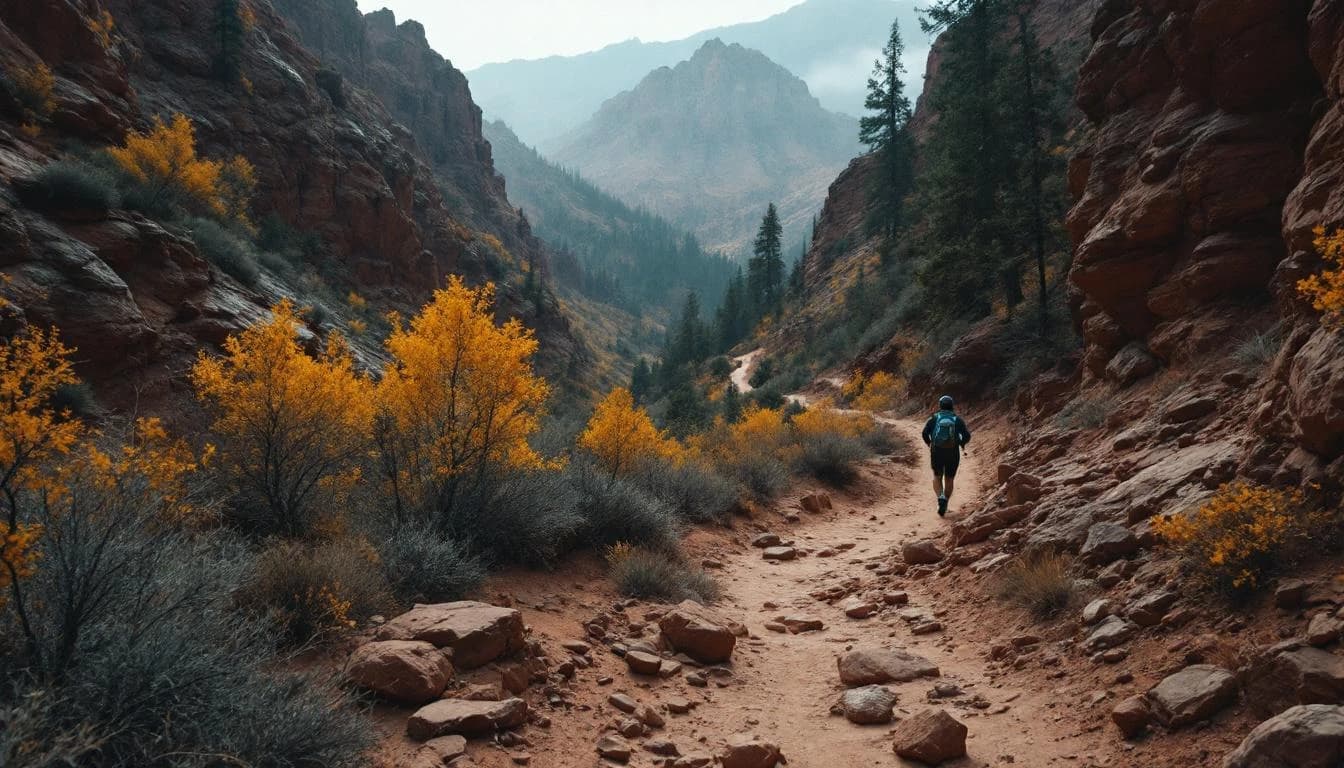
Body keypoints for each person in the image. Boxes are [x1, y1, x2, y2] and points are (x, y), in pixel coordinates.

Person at [921, 395, 970, 517]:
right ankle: (945, 502)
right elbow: (967, 435)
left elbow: (924, 433)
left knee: (937, 476)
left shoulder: (934, 418)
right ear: (952, 406)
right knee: (949, 478)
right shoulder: (957, 420)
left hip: (936, 451)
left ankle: (940, 497)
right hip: (952, 452)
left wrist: (929, 443)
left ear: (940, 405)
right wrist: (961, 443)